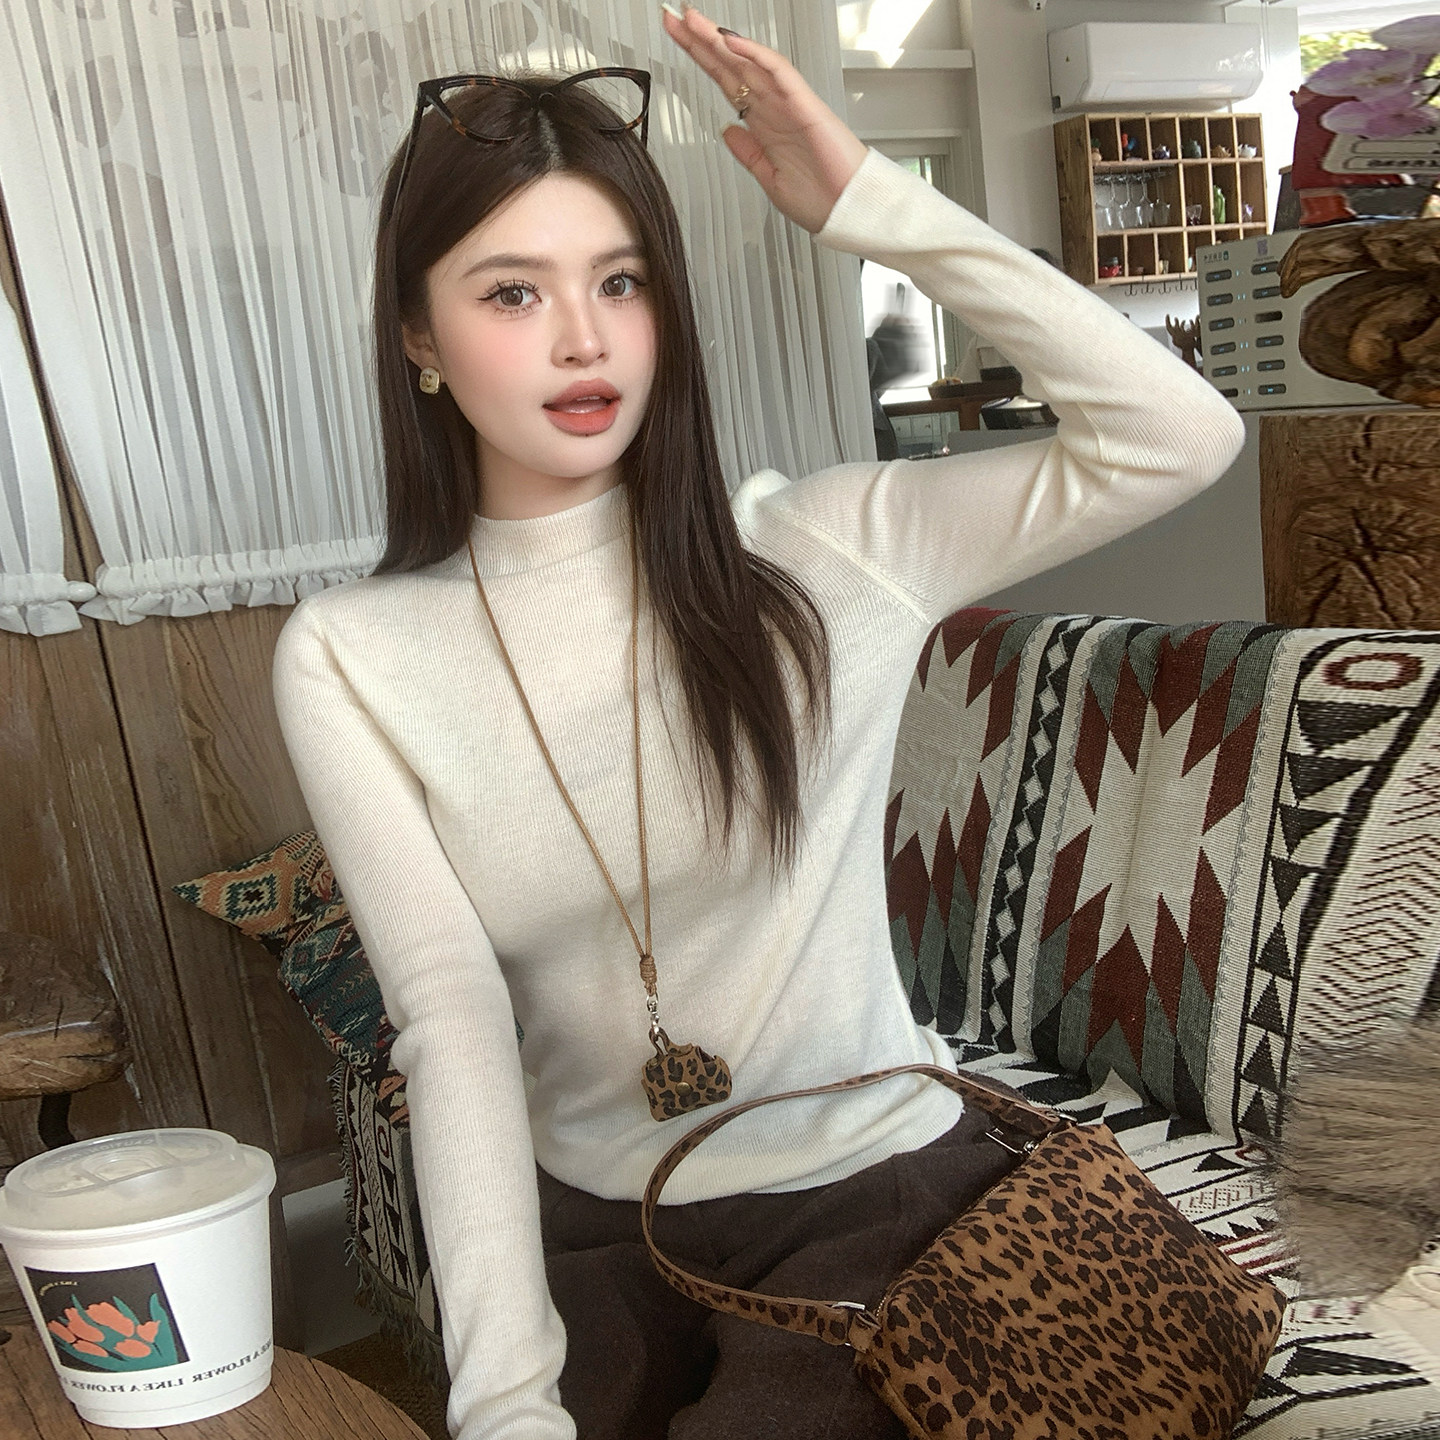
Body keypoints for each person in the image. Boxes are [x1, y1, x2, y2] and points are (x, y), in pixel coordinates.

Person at [271, 8, 1246, 1439]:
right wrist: (508, 1400)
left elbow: (1184, 435)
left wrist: (871, 203)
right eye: (512, 293)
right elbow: (450, 1022)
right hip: (604, 1238)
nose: (586, 339)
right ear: (419, 335)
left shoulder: (830, 549)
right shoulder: (351, 656)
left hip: (878, 1206)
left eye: (620, 282)